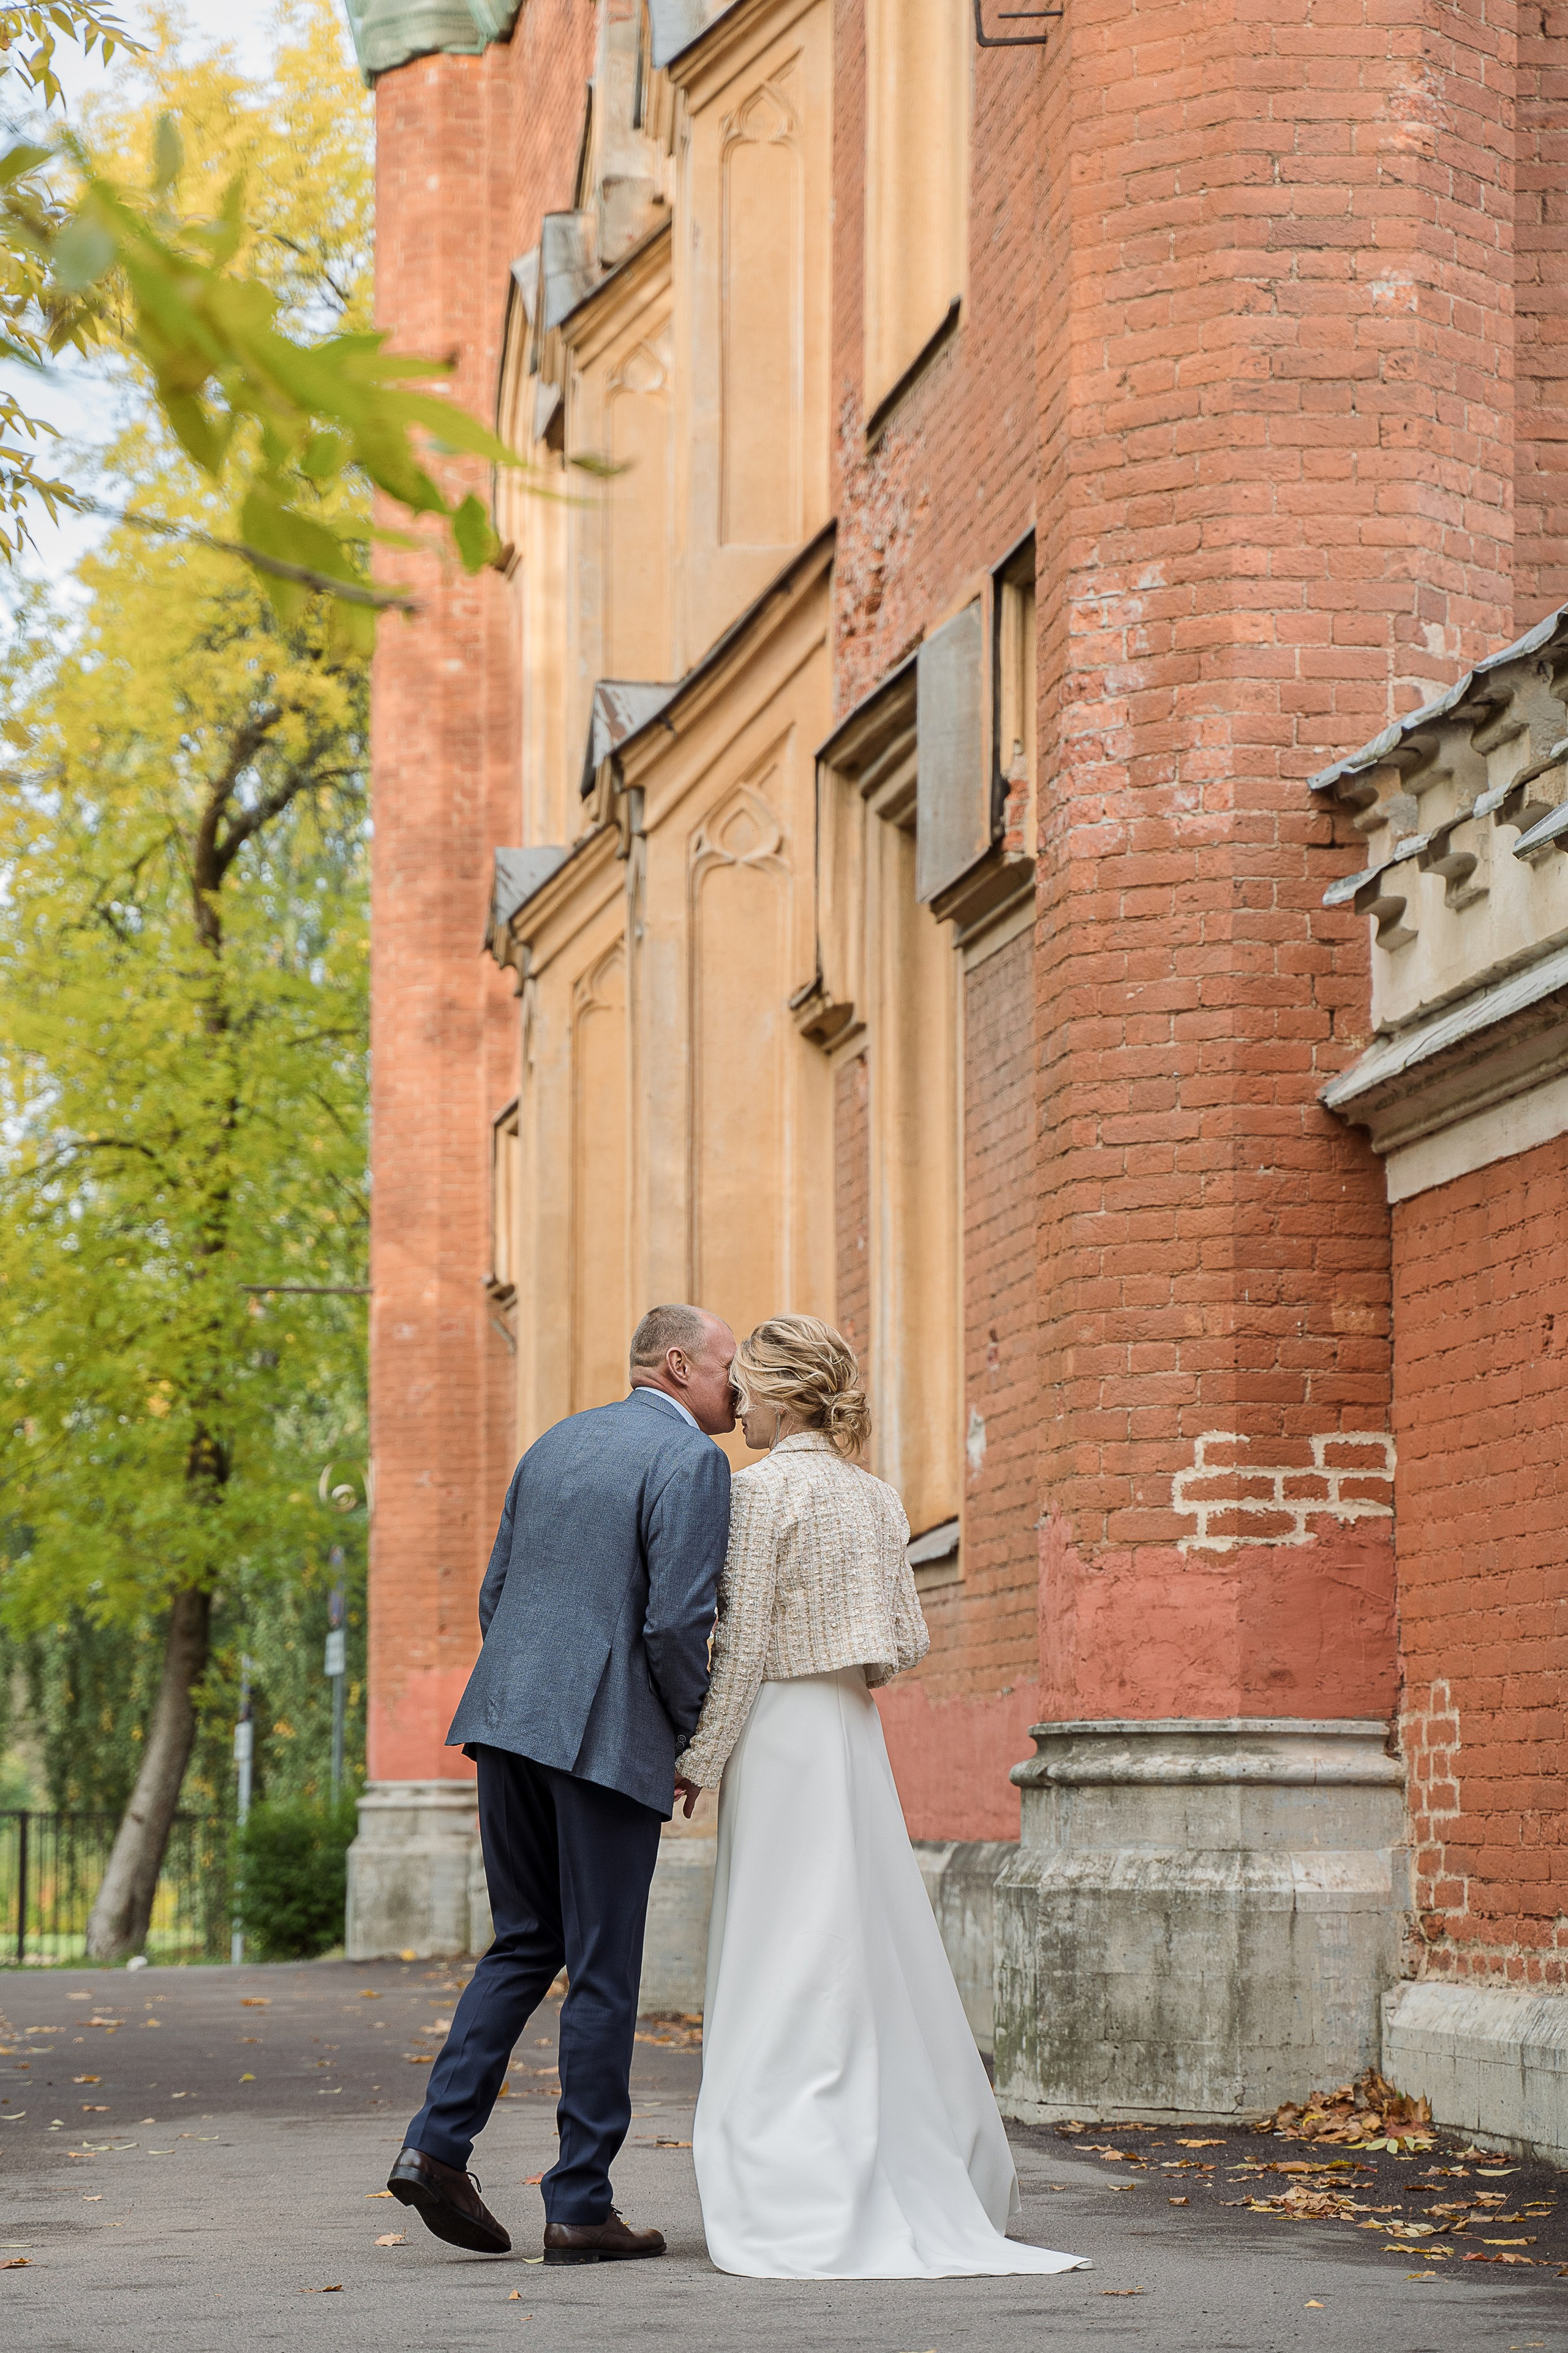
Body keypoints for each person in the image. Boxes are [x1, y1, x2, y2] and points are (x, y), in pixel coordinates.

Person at [673, 1314, 1087, 2280]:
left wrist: (702, 1756)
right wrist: (842, 1669)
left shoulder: (758, 1493)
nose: (734, 1401)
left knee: (785, 1942)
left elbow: (736, 1653)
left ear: (776, 1394)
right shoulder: (877, 1496)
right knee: (864, 1941)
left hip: (779, 1734)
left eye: (743, 1384)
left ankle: (801, 2172)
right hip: (851, 1730)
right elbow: (905, 1639)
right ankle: (916, 2159)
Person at [387, 1303, 736, 2265]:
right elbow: (676, 1622)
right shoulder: (693, 1462)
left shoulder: (555, 1442)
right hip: (606, 1735)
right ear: (677, 1365)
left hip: (505, 1720)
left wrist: (527, 1696)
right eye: (727, 1369)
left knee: (523, 1941)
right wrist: (687, 1734)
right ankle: (580, 2204)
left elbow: (497, 1592)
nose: (737, 1392)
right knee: (602, 1969)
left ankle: (436, 2145)